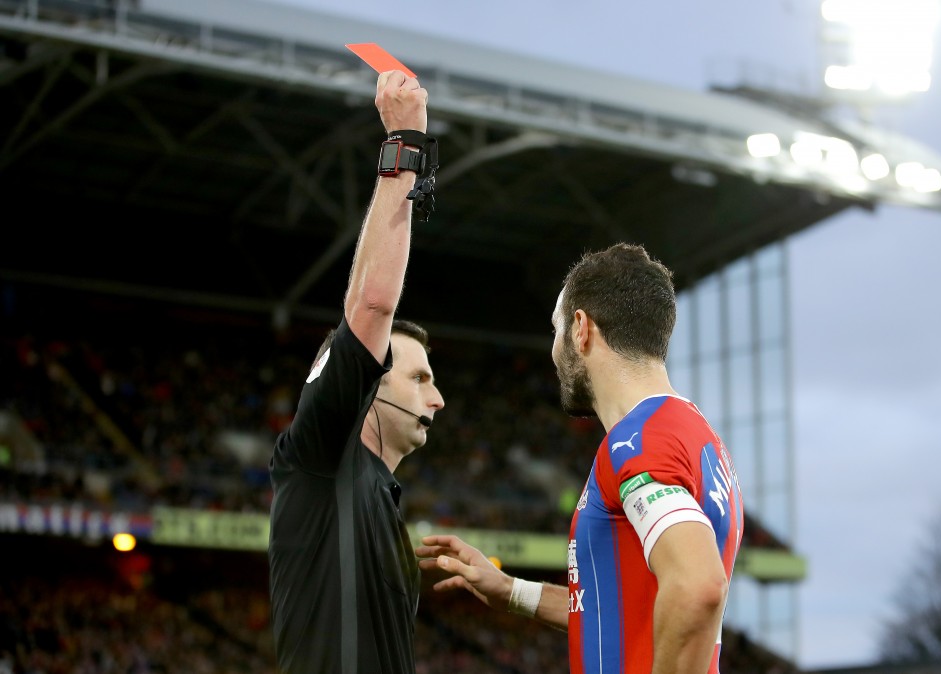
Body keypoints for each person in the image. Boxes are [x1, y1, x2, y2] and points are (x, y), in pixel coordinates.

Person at [417, 243, 745, 674]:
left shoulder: (640, 442)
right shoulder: (694, 437)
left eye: (555, 330)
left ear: (580, 329)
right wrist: (510, 590)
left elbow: (698, 587)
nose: (553, 352)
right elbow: (616, 611)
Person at [267, 69, 444, 674]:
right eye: (419, 379)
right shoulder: (322, 458)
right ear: (368, 387)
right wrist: (405, 145)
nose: (438, 398)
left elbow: (357, 310)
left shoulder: (377, 496)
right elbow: (369, 308)